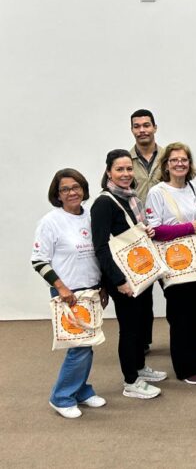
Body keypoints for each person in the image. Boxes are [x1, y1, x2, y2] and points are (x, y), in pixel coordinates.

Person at [32, 169, 108, 418]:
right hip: (69, 293)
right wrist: (62, 288)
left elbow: (99, 252)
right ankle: (61, 397)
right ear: (57, 195)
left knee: (87, 344)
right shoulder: (50, 222)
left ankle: (81, 390)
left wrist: (103, 286)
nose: (72, 192)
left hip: (91, 291)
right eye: (65, 189)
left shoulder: (90, 217)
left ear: (83, 189)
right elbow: (38, 260)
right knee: (79, 347)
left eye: (76, 187)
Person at [91, 149, 167, 399]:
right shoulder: (104, 203)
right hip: (122, 277)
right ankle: (131, 381)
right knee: (129, 327)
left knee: (142, 321)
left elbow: (131, 233)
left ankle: (140, 367)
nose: (125, 174)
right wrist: (119, 280)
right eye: (119, 169)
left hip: (139, 272)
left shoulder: (131, 197)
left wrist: (147, 231)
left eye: (128, 169)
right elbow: (100, 247)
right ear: (108, 172)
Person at [145, 142, 196, 385]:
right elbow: (154, 230)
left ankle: (195, 356)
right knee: (180, 315)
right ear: (165, 165)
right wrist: (187, 228)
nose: (179, 163)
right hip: (173, 262)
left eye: (184, 159)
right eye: (174, 160)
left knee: (195, 311)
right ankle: (185, 367)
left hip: (195, 260)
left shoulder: (190, 188)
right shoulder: (157, 192)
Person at [129, 108, 164, 354]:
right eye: (137, 126)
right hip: (138, 237)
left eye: (146, 125)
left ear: (154, 128)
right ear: (132, 130)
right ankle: (142, 343)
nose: (142, 130)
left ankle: (183, 343)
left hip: (165, 235)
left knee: (175, 292)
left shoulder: (169, 156)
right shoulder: (125, 161)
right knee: (142, 295)